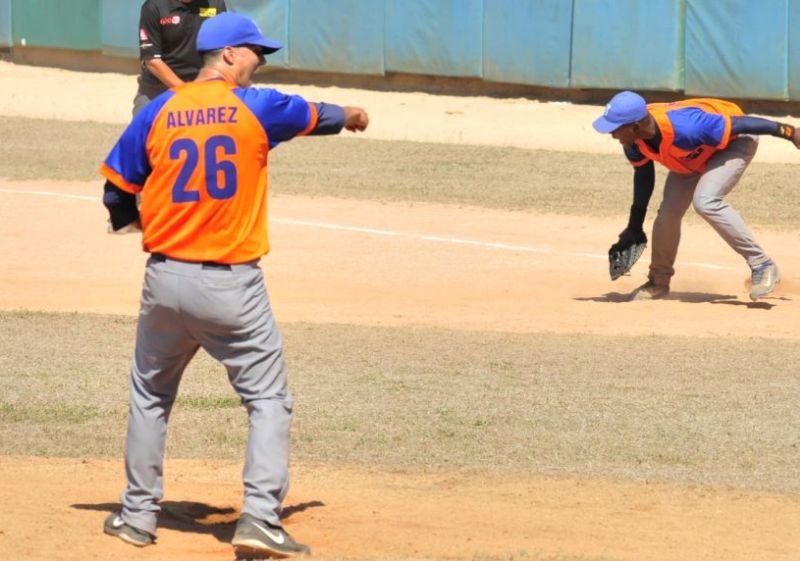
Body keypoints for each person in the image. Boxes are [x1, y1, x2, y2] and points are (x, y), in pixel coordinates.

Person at [98, 11, 369, 557]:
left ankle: (136, 518)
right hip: (231, 288)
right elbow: (320, 114)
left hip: (164, 281)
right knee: (268, 398)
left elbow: (117, 193)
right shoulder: (260, 106)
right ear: (226, 54)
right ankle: (261, 520)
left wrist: (148, 225)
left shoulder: (157, 110)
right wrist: (355, 113)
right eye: (254, 51)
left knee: (150, 395)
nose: (261, 60)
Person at [593, 91, 800, 302]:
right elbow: (644, 176)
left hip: (734, 142)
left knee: (706, 201)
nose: (612, 134)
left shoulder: (688, 126)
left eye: (615, 128)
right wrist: (634, 226)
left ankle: (762, 265)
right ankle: (658, 282)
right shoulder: (634, 142)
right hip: (692, 155)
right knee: (668, 214)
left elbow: (740, 124)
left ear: (635, 126)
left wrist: (789, 132)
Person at [134, 0, 227, 116]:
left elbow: (223, 50)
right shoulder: (154, 6)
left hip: (203, 84)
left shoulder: (216, 3)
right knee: (142, 126)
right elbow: (152, 61)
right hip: (159, 87)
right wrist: (187, 92)